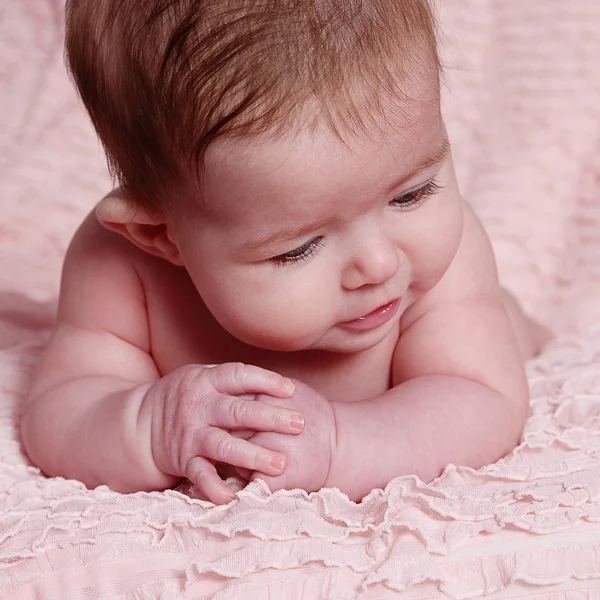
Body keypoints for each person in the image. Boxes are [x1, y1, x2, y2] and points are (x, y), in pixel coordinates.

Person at [21, 0, 548, 505]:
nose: (380, 265)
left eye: (411, 194)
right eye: (300, 248)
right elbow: (60, 412)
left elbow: (483, 400)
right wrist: (146, 424)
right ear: (161, 236)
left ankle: (517, 319)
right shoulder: (118, 267)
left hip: (473, 334)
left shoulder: (443, 269)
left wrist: (341, 443)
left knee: (506, 328)